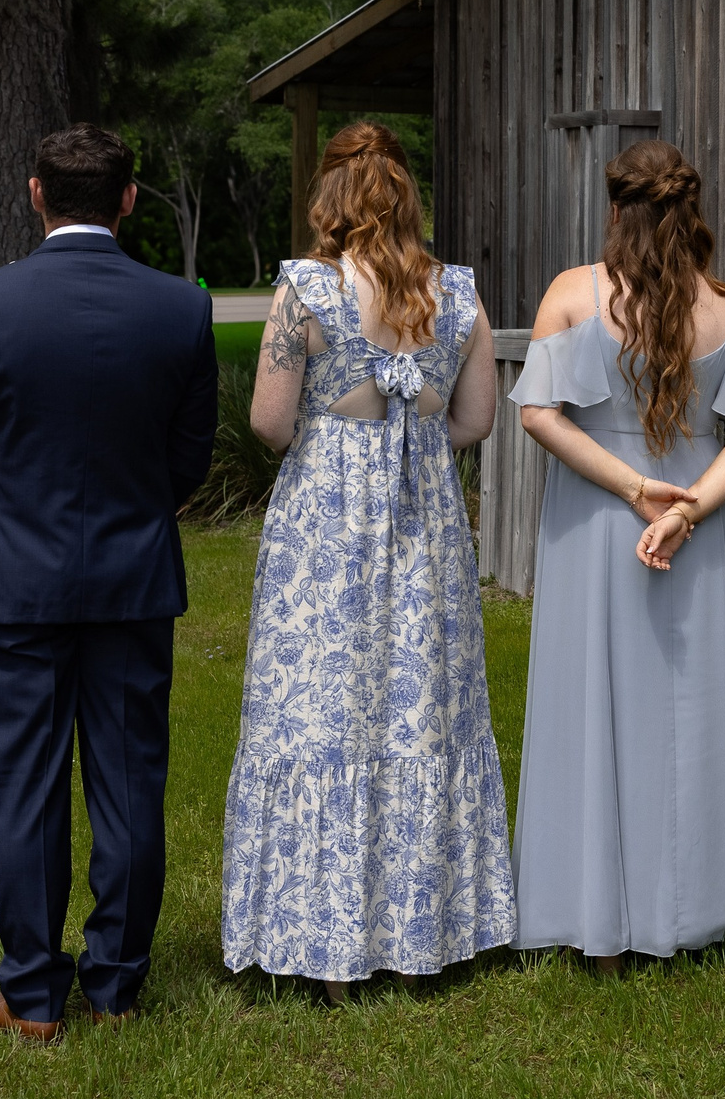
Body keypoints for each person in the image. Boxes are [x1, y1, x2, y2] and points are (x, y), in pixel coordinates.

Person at [0, 123, 218, 1042]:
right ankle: (117, 984)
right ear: (128, 200)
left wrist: (6, 530)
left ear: (36, 193)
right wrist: (133, 516)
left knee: (23, 785)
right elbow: (188, 455)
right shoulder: (180, 308)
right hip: (133, 580)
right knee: (130, 784)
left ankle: (34, 996)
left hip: (16, 583)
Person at [220, 122, 513, 998]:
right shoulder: (455, 292)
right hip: (422, 524)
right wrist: (411, 422)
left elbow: (271, 423)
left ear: (331, 202)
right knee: (418, 705)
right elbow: (475, 422)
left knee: (321, 707)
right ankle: (423, 933)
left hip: (325, 529)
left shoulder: (305, 289)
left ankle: (321, 939)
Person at [509, 139, 725, 965]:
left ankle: (589, 913)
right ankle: (685, 909)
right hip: (687, 533)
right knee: (686, 711)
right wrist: (693, 504)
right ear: (689, 211)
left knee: (588, 705)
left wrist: (635, 490)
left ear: (615, 208)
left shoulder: (573, 294)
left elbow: (539, 415)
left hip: (603, 525)